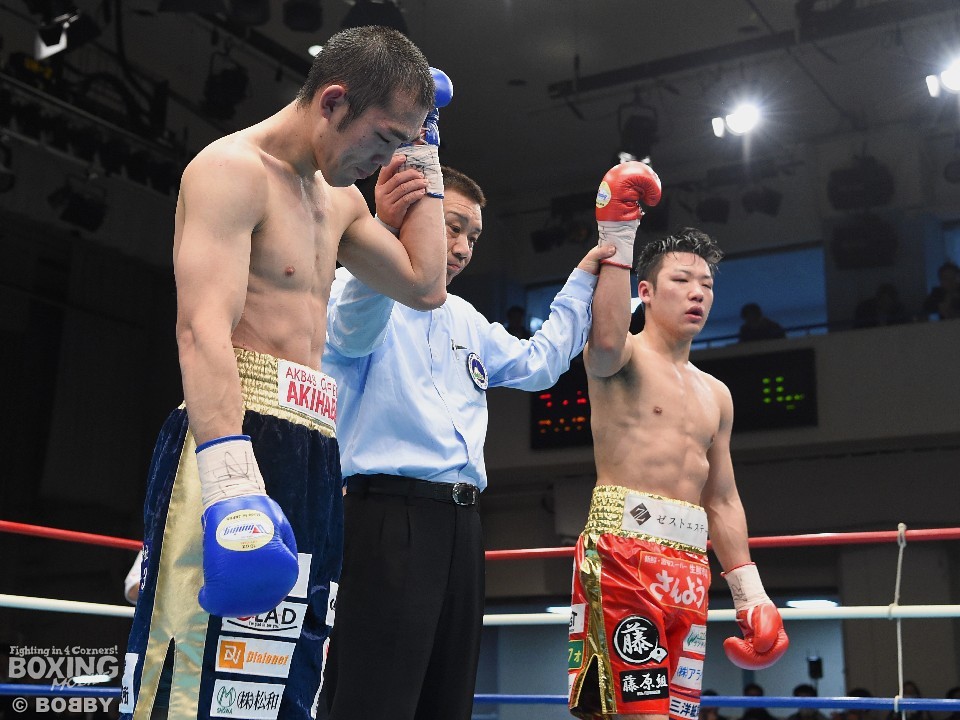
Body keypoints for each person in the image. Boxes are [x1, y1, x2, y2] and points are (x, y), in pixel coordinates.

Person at [119, 26, 450, 720]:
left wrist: (425, 155)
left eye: (403, 144)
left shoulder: (341, 199)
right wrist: (230, 484)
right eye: (384, 138)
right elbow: (200, 329)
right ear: (333, 102)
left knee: (285, 678)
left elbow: (425, 284)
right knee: (194, 678)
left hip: (314, 446)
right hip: (236, 432)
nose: (384, 161)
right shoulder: (231, 170)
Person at [320, 165, 615, 720]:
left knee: (447, 696)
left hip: (462, 523)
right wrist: (384, 234)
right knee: (374, 698)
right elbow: (353, 335)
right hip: (385, 516)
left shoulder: (463, 317)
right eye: (452, 227)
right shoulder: (350, 289)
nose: (461, 248)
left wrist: (582, 281)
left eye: (473, 237)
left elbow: (539, 365)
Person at [567, 161, 789, 720]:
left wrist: (751, 595)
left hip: (690, 566)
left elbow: (723, 498)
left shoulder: (717, 394)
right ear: (644, 291)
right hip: (623, 553)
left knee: (673, 716)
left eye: (707, 285)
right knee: (634, 715)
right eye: (682, 281)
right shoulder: (619, 358)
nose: (698, 294)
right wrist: (617, 233)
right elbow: (605, 338)